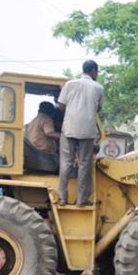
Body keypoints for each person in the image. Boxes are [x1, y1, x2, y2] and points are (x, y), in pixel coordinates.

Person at [57, 60, 104, 207]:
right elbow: (98, 108)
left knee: (65, 163)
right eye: (97, 72)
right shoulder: (98, 88)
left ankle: (62, 198)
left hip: (69, 128)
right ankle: (81, 200)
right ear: (94, 71)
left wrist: (71, 114)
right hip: (88, 131)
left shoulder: (70, 84)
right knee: (85, 165)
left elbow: (60, 105)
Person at [24, 101, 60, 173]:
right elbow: (49, 133)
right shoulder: (46, 119)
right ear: (51, 111)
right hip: (44, 155)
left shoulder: (33, 121)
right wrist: (64, 137)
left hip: (34, 153)